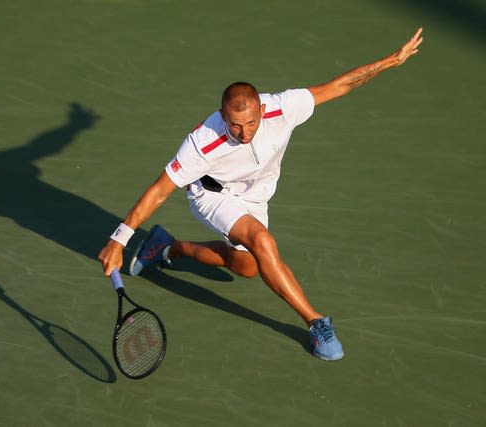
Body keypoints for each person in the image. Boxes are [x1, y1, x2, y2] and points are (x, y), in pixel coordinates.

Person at [98, 28, 424, 361]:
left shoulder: (282, 108)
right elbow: (159, 190)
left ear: (261, 111)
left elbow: (338, 86)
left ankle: (168, 248)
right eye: (235, 124)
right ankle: (316, 323)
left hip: (256, 195)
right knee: (263, 241)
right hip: (213, 196)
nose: (244, 133)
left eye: (251, 123)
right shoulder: (201, 143)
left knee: (248, 266)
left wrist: (391, 61)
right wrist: (118, 240)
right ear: (223, 115)